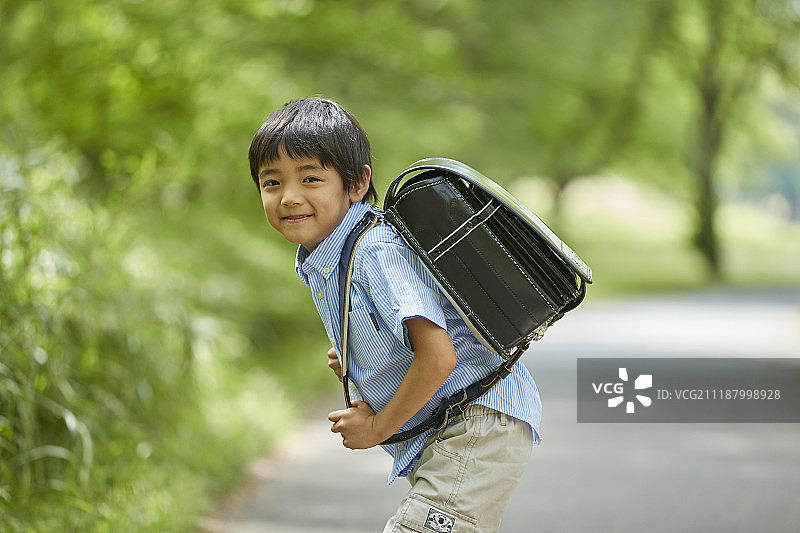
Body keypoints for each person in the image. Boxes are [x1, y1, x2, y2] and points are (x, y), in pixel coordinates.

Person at [248, 96, 541, 533]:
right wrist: (361, 360)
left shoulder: (374, 250)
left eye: (310, 178)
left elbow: (439, 356)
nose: (290, 197)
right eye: (271, 183)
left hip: (479, 423)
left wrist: (375, 429)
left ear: (356, 183)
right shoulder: (327, 253)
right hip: (454, 428)